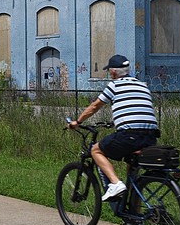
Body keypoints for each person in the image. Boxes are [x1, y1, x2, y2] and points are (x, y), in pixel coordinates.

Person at [68, 54, 159, 201]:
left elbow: (95, 106)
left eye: (109, 71)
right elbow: (135, 108)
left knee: (95, 150)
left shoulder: (115, 85)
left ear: (113, 72)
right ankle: (133, 213)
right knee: (132, 167)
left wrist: (77, 122)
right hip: (151, 136)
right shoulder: (143, 85)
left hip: (130, 135)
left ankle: (116, 184)